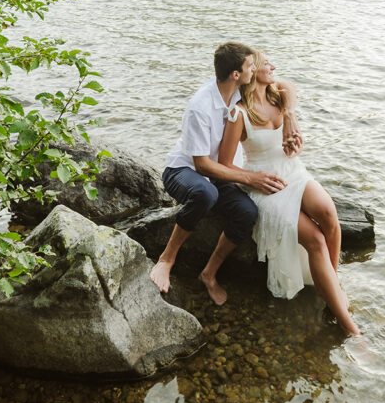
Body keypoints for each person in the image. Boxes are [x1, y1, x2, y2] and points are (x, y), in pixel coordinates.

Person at [218, 52, 360, 335]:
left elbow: (290, 86)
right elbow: (224, 163)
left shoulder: (278, 96)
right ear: (252, 70)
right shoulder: (239, 113)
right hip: (265, 182)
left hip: (292, 170)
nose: (273, 66)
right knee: (316, 241)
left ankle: (332, 285)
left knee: (330, 215)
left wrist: (294, 139)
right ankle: (350, 327)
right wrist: (252, 178)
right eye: (266, 62)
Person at [149, 42, 302, 304]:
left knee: (247, 212)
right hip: (183, 171)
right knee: (204, 192)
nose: (255, 70)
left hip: (221, 173)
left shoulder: (240, 90)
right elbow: (202, 166)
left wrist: (289, 116)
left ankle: (209, 274)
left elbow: (286, 85)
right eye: (250, 67)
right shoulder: (201, 106)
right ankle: (167, 258)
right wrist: (250, 178)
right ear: (236, 74)